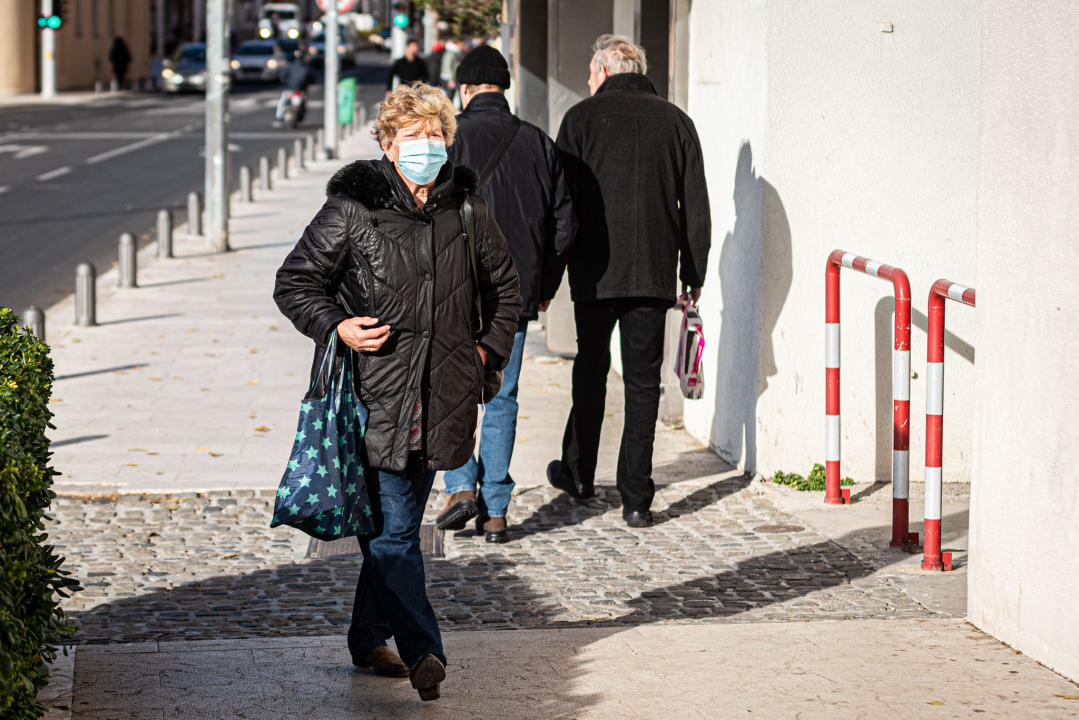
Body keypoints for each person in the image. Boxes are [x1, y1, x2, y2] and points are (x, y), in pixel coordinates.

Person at [273, 83, 522, 701]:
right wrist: (338, 325)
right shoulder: (353, 209)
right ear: (388, 145)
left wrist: (484, 352)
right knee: (394, 533)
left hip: (443, 398)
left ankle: (366, 637)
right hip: (374, 397)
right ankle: (423, 651)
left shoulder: (468, 210)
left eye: (435, 135)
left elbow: (506, 292)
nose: (425, 146)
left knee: (391, 528)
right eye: (412, 137)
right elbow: (295, 282)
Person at [548, 35, 711, 528]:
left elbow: (562, 203)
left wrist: (555, 267)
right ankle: (637, 498)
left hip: (595, 273)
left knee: (590, 369)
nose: (588, 82)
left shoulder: (580, 120)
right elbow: (695, 205)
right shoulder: (676, 122)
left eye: (590, 74)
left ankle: (579, 474)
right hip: (653, 273)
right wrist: (693, 272)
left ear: (603, 70)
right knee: (643, 383)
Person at [436, 46, 576, 543]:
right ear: (504, 87)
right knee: (502, 397)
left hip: (454, 291)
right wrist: (544, 287)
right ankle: (495, 511)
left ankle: (460, 487)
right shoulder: (537, 141)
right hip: (513, 295)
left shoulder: (449, 139)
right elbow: (564, 223)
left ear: (465, 88)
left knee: (451, 389)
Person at [275, 49, 314, 123]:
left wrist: (284, 82)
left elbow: (283, 76)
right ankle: (300, 114)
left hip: (290, 88)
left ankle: (279, 116)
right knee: (304, 102)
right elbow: (312, 78)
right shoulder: (306, 66)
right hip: (301, 89)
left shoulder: (289, 66)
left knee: (282, 102)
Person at [439, 38, 462, 104]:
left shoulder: (454, 53)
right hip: (449, 78)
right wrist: (451, 79)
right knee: (449, 97)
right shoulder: (450, 53)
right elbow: (448, 66)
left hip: (452, 78)